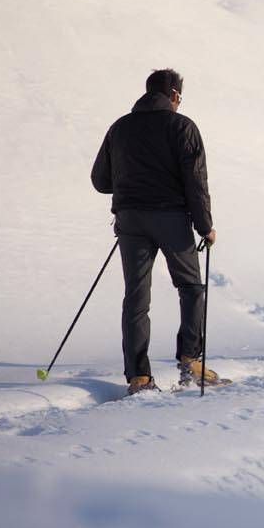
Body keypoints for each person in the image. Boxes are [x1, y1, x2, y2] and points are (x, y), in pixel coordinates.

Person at [91, 69, 227, 394]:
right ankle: (190, 361)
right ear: (175, 95)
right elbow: (196, 181)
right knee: (191, 287)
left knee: (136, 297)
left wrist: (130, 185)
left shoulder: (120, 127)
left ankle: (139, 377)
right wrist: (205, 226)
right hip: (170, 218)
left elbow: (100, 181)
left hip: (130, 220)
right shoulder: (182, 126)